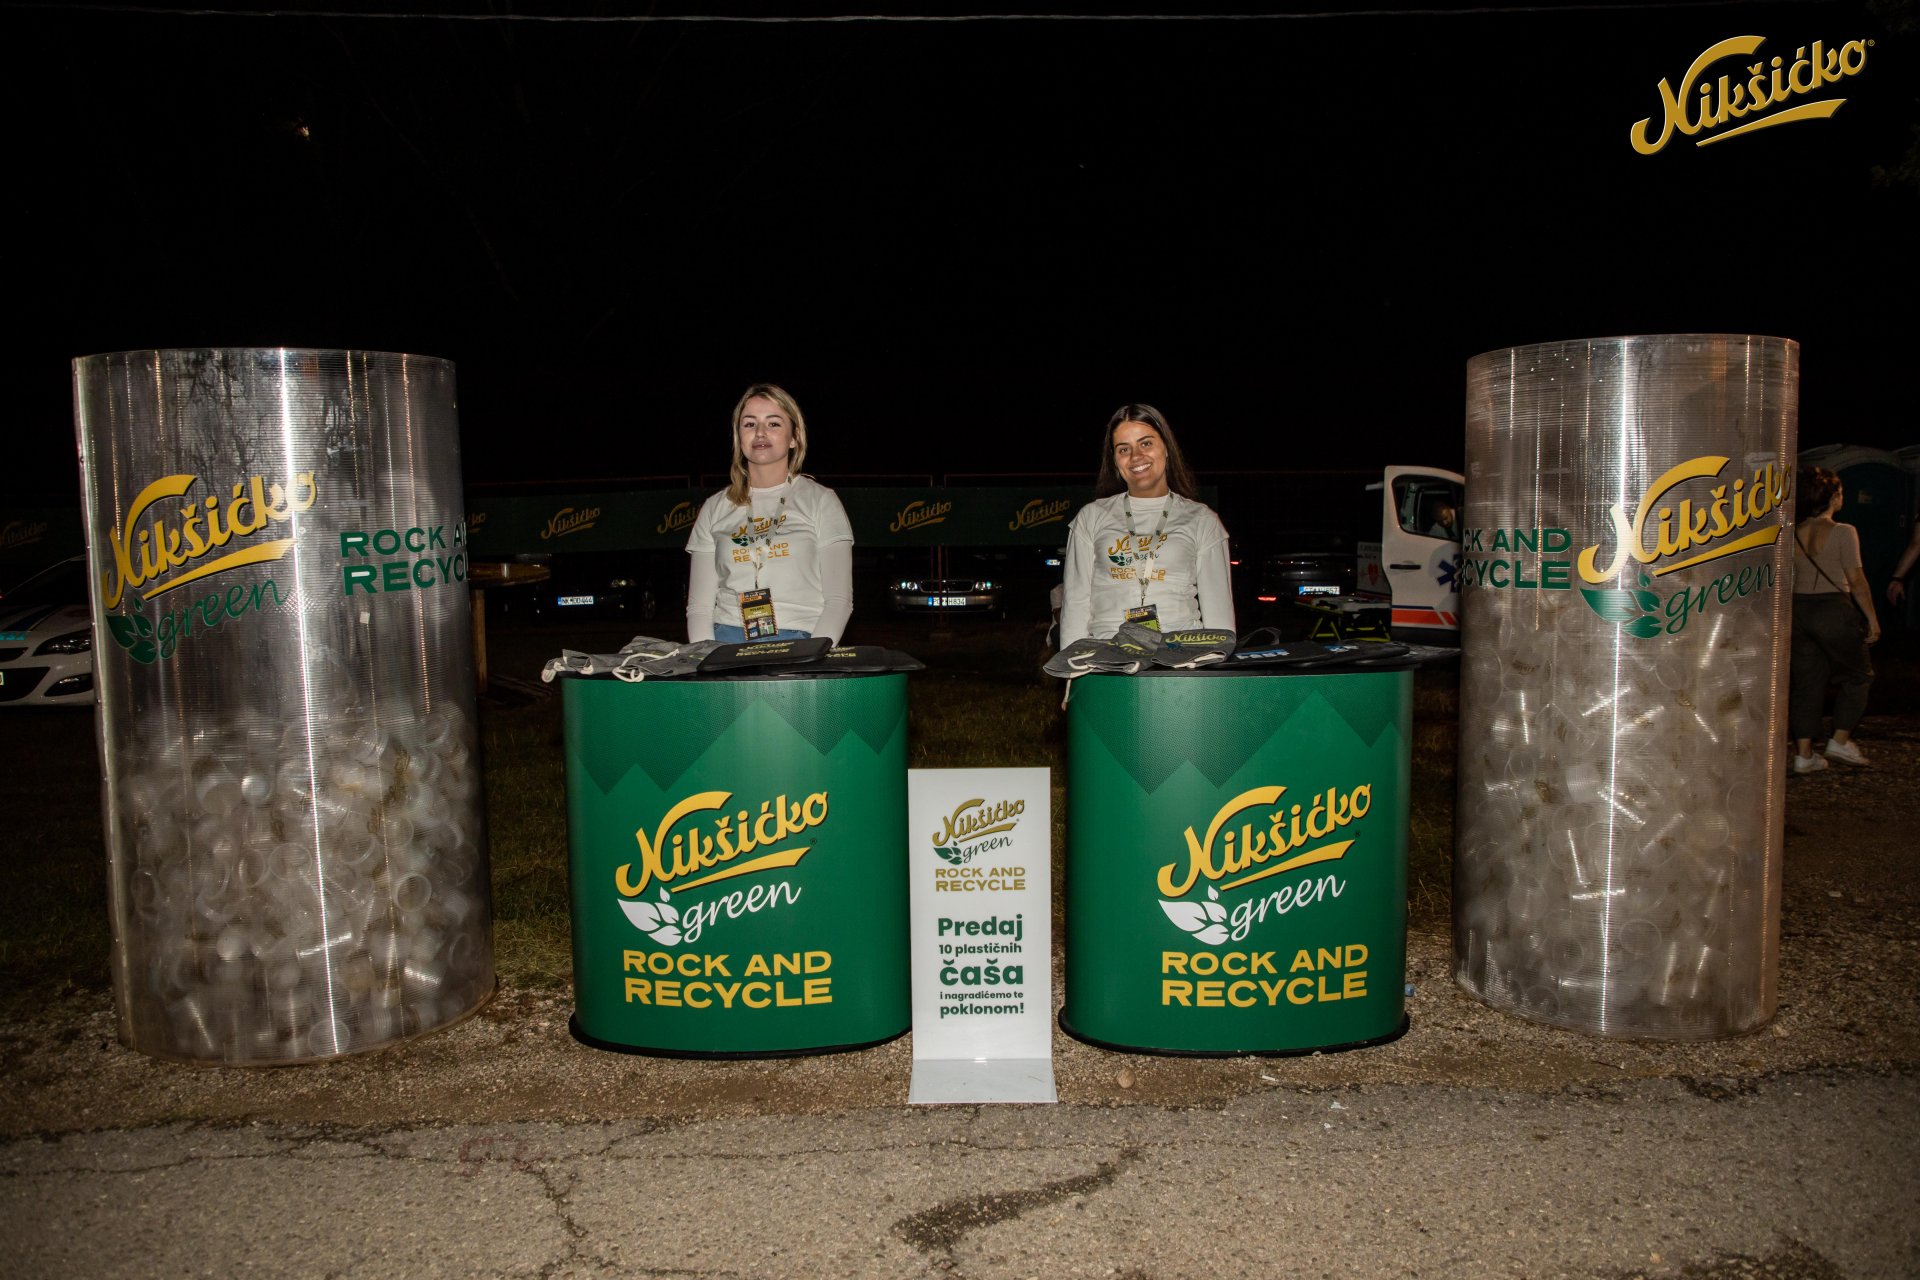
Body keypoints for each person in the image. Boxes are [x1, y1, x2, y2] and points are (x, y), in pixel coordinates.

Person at [685, 384, 853, 645]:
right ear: (738, 436)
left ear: (794, 437)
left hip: (799, 639)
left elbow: (839, 602)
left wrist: (810, 656)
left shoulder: (821, 501)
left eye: (774, 424)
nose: (760, 432)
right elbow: (699, 608)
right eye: (749, 424)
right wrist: (706, 657)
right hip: (726, 640)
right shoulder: (714, 507)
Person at [1058, 404, 1233, 648]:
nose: (1136, 456)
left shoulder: (1202, 520)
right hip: (1107, 660)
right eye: (1123, 449)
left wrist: (1216, 667)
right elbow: (1075, 606)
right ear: (1115, 460)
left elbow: (1220, 615)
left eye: (1146, 443)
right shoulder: (1091, 517)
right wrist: (1073, 672)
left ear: (1166, 448)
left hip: (1180, 660)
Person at [1789, 465, 1879, 774]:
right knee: (1859, 675)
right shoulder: (1844, 532)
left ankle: (1803, 755)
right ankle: (1840, 741)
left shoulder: (1793, 532)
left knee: (1807, 682)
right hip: (1832, 609)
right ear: (1834, 497)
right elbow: (1857, 582)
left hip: (1799, 612)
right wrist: (1872, 619)